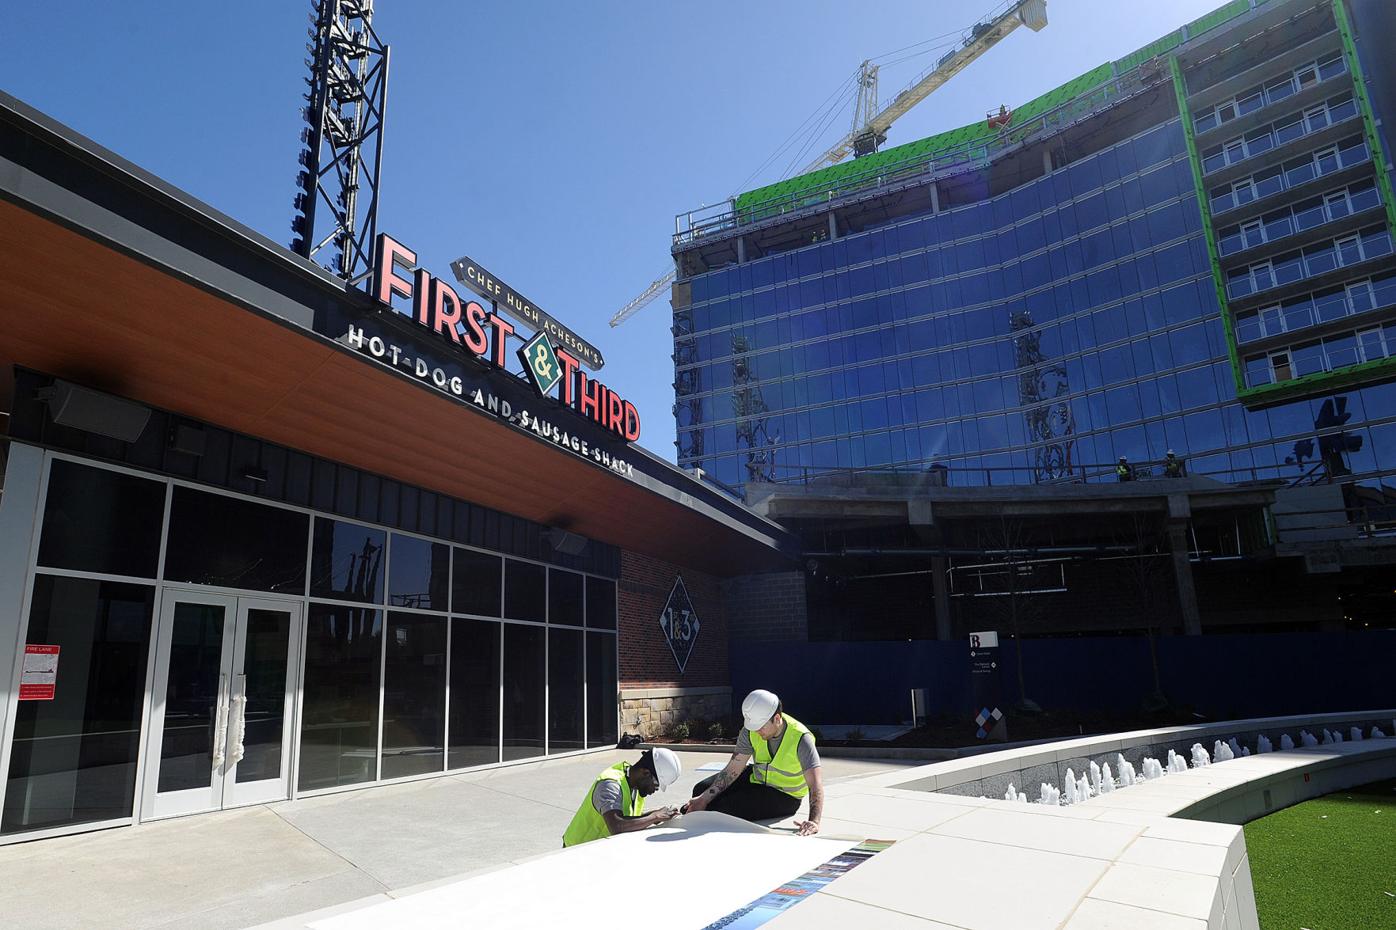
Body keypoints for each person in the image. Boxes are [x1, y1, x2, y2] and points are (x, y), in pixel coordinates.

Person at [685, 689, 824, 836]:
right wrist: (703, 798)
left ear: (777, 719)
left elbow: (815, 784)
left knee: (723, 807)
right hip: (756, 779)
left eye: (761, 727)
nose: (757, 731)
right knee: (700, 790)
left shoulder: (801, 738)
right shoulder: (750, 729)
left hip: (785, 795)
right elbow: (733, 768)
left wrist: (814, 821)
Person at [562, 747, 682, 847]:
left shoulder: (635, 785)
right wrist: (654, 817)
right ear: (645, 773)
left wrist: (653, 815)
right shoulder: (610, 785)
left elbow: (626, 818)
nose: (654, 790)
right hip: (576, 851)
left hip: (597, 850)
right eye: (656, 785)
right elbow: (617, 826)